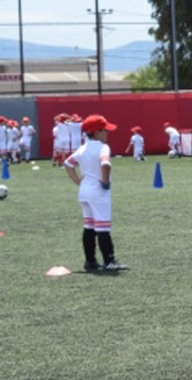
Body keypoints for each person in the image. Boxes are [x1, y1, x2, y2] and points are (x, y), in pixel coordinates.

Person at [64, 114, 127, 272]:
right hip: (98, 192)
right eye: (105, 130)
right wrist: (105, 182)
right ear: (97, 132)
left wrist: (78, 181)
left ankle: (90, 261)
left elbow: (68, 164)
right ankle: (109, 261)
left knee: (89, 226)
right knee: (103, 227)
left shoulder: (82, 148)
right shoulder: (103, 147)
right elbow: (106, 164)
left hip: (84, 191)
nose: (107, 133)